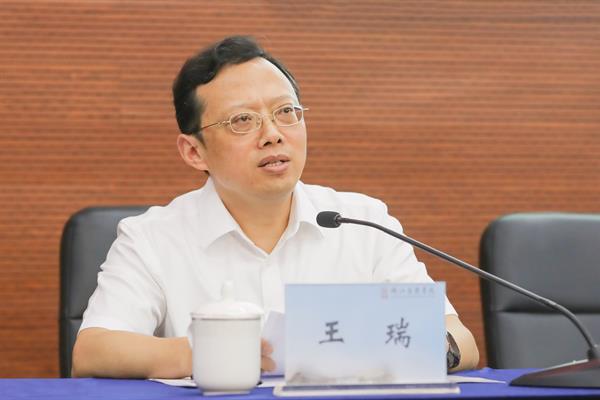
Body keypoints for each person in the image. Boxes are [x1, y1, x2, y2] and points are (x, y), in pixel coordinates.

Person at [72, 35, 479, 378]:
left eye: (286, 112)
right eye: (242, 121)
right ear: (194, 152)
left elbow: (460, 340)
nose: (272, 134)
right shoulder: (152, 237)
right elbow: (92, 352)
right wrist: (206, 353)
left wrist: (420, 351)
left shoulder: (363, 222)